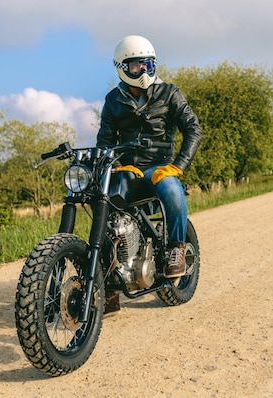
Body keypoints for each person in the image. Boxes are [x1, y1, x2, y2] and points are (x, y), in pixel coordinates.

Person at [97, 35, 203, 312]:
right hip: (127, 167)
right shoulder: (113, 100)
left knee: (171, 190)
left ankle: (176, 248)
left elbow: (193, 128)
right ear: (122, 67)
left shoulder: (170, 93)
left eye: (147, 64)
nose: (142, 71)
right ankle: (107, 285)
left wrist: (178, 166)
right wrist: (115, 165)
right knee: (105, 208)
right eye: (135, 66)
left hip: (161, 166)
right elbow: (106, 139)